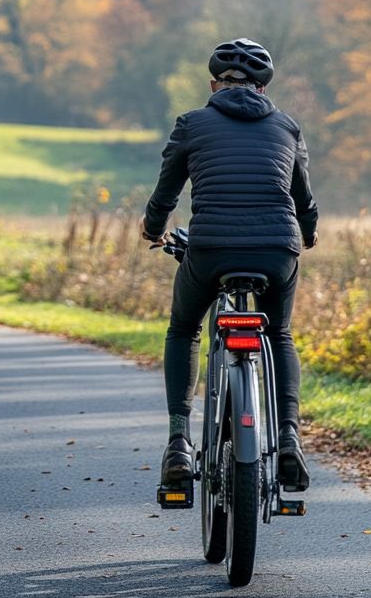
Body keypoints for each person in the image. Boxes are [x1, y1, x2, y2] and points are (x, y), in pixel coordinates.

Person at [142, 38, 318, 493]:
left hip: (211, 249)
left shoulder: (193, 123)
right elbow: (304, 201)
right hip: (278, 253)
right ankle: (289, 438)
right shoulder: (287, 127)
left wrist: (152, 228)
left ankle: (179, 442)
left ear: (213, 84)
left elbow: (166, 194)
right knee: (278, 332)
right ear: (262, 88)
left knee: (183, 329)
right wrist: (309, 235)